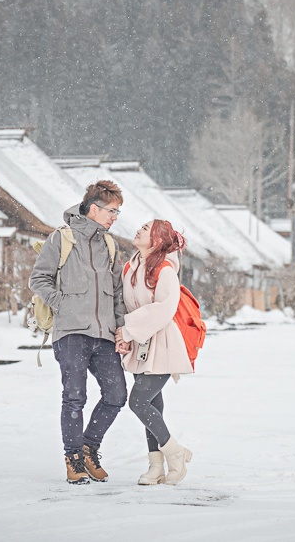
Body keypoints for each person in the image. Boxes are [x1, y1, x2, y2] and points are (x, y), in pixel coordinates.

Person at [29, 180, 127, 485]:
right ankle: (72, 458)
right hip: (71, 333)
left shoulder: (109, 244)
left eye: (118, 212)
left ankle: (88, 448)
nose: (115, 217)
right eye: (112, 211)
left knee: (116, 395)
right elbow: (38, 278)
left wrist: (120, 326)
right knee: (74, 397)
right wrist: (63, 305)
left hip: (104, 334)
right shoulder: (62, 238)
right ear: (94, 209)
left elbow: (117, 290)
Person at [114, 220, 194, 486]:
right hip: (142, 345)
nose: (138, 229)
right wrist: (125, 335)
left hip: (163, 344)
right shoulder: (131, 266)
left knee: (138, 402)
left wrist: (128, 331)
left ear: (157, 240)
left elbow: (163, 309)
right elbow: (126, 305)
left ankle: (176, 452)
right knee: (153, 405)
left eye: (146, 228)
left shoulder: (165, 269)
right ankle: (156, 466)